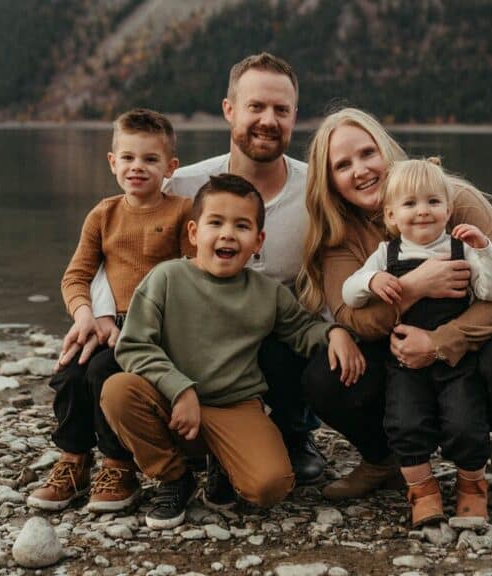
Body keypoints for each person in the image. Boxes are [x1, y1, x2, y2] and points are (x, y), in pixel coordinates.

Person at [297, 108, 492, 519]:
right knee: (323, 374)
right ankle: (383, 460)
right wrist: (416, 286)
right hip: (396, 356)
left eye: (368, 153)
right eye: (343, 165)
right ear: (329, 179)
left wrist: (440, 342)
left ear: (386, 150)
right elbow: (353, 317)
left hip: (468, 351)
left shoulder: (452, 199)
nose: (361, 170)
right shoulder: (338, 232)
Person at [81, 52, 326, 486]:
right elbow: (120, 249)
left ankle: (293, 433)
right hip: (196, 340)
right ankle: (130, 461)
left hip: (272, 335)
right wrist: (95, 311)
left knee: (293, 347)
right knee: (99, 367)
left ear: (293, 117)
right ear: (229, 110)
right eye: (256, 106)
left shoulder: (318, 192)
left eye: (280, 110)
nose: (268, 119)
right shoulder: (186, 186)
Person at [100, 174, 363, 529]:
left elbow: (302, 329)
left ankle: (222, 461)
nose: (227, 234)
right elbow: (134, 345)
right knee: (118, 391)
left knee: (270, 488)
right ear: (194, 233)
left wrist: (335, 333)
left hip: (234, 404)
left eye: (241, 226)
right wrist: (179, 388)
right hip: (173, 403)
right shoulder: (166, 278)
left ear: (258, 241)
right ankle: (174, 477)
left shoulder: (266, 292)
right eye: (216, 223)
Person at [27, 109, 193, 513]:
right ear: (112, 161)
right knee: (69, 372)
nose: (138, 167)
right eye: (129, 157)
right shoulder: (104, 214)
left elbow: (193, 280)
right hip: (106, 324)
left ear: (170, 167)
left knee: (105, 374)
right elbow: (76, 275)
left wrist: (145, 326)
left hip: (155, 331)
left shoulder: (182, 211)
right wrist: (85, 315)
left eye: (150, 160)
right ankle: (74, 460)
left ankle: (119, 466)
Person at [340, 158, 492, 527]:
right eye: (410, 204)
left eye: (433, 202)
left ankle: (472, 489)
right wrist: (369, 282)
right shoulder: (387, 255)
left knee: (467, 422)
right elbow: (348, 294)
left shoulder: (462, 250)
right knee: (405, 422)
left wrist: (486, 250)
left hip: (455, 361)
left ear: (448, 209)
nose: (423, 211)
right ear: (391, 216)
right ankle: (423, 492)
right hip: (403, 364)